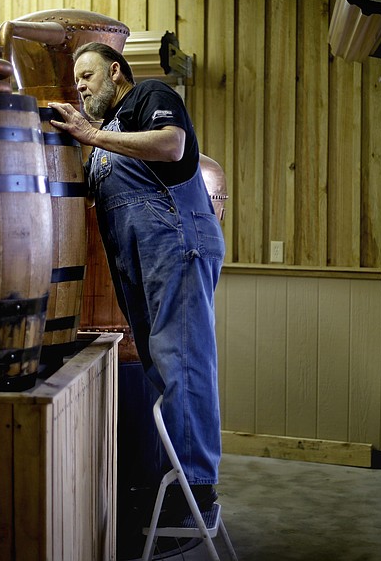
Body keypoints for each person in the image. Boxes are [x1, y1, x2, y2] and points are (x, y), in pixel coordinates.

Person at [48, 41, 225, 520]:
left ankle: (195, 489)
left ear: (115, 70)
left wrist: (91, 135)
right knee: (163, 367)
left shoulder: (146, 96)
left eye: (87, 76)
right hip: (141, 260)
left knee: (183, 363)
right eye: (77, 80)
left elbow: (173, 145)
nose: (81, 87)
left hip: (178, 243)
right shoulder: (104, 133)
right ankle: (178, 480)